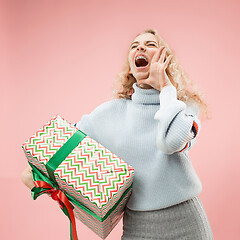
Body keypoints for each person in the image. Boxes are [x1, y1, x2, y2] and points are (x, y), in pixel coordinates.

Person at [22, 28, 213, 239]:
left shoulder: (185, 106)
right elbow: (60, 147)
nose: (140, 47)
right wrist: (39, 177)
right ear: (131, 68)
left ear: (165, 59)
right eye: (134, 46)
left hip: (187, 221)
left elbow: (171, 142)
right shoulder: (109, 113)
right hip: (138, 228)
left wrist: (166, 87)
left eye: (151, 44)